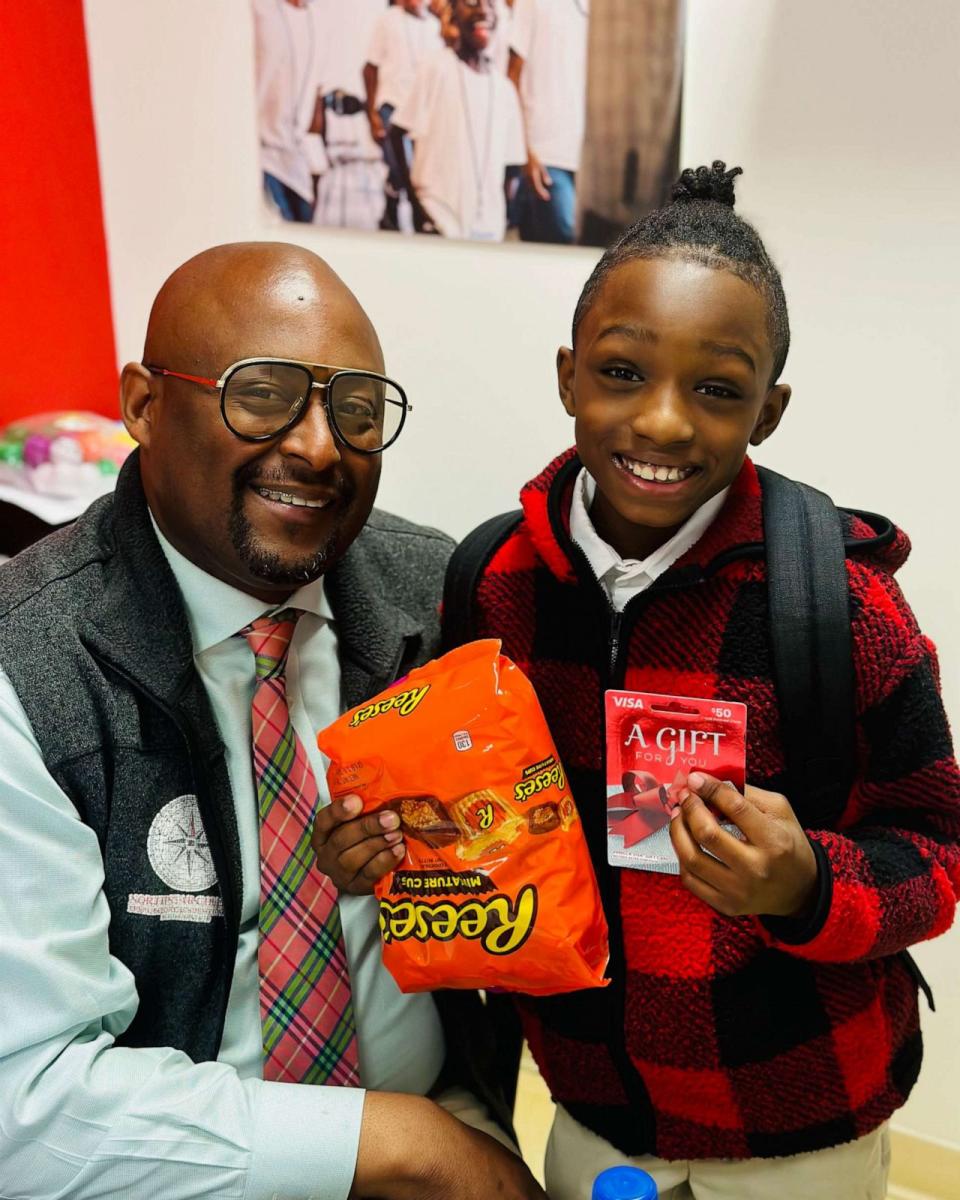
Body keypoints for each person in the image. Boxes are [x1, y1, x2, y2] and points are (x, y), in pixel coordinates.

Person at [325, 164, 960, 1197]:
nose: (664, 422)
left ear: (770, 409)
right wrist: (390, 852)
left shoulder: (839, 606)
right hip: (589, 1118)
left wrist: (808, 887)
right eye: (623, 373)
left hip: (805, 1132)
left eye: (717, 388)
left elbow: (935, 854)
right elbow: (472, 828)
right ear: (570, 373)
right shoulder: (492, 584)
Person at [0, 242, 546, 1200]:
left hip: (447, 1118)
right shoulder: (27, 666)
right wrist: (403, 1146)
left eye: (358, 410)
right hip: (165, 1175)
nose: (320, 445)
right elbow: (28, 1111)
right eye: (263, 395)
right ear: (142, 405)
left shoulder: (441, 598)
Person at [389, 0, 525, 240]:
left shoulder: (505, 89)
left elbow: (511, 168)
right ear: (452, 12)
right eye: (471, 2)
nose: (483, 9)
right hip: (439, 217)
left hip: (488, 230)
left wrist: (498, 213)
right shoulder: (436, 67)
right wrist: (417, 207)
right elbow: (397, 133)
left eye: (490, 3)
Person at [508, 0, 590, 243]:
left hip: (588, 163)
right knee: (563, 241)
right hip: (545, 157)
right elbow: (511, 76)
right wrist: (524, 151)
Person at [364, 0, 442, 231]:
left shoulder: (436, 26)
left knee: (415, 172)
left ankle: (393, 212)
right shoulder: (388, 20)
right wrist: (371, 114)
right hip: (392, 106)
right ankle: (413, 217)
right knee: (401, 165)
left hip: (421, 115)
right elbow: (370, 68)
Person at [253, 0, 328, 222]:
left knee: (302, 245)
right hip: (261, 155)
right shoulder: (258, 9)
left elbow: (316, 94)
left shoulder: (319, 20)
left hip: (297, 159)